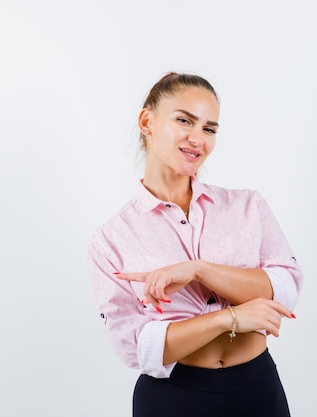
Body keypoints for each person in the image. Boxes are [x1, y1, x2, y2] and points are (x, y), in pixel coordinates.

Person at [87, 72, 304, 417]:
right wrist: (228, 318)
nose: (197, 138)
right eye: (184, 120)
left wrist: (199, 270)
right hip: (172, 398)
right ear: (147, 121)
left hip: (257, 389)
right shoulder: (112, 238)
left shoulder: (248, 206)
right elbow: (136, 347)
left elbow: (285, 289)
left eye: (209, 128)